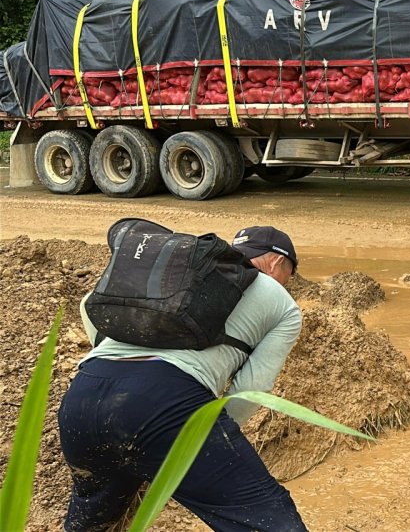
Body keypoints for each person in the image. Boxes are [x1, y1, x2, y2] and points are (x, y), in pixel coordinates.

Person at [58, 225, 307, 532]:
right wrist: (205, 443)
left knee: (95, 523)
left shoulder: (179, 277)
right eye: (290, 273)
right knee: (273, 523)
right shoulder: (281, 302)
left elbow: (88, 303)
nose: (289, 282)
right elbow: (252, 388)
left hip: (83, 397)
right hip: (165, 401)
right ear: (276, 263)